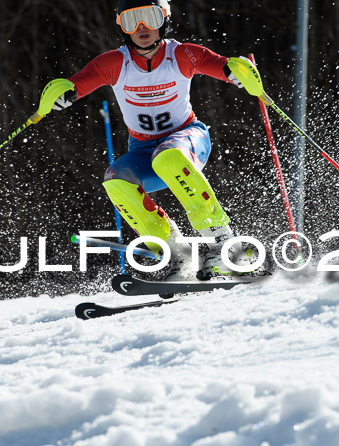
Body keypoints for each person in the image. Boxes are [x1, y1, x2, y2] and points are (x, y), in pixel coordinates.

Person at [51, 0, 262, 280]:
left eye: (149, 18)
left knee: (169, 156)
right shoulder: (115, 62)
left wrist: (238, 73)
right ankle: (178, 256)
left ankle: (226, 246)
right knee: (115, 179)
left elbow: (221, 66)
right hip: (143, 151)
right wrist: (62, 94)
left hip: (188, 138)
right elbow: (79, 82)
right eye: (131, 21)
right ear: (121, 27)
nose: (141, 28)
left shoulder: (182, 54)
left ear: (164, 19)